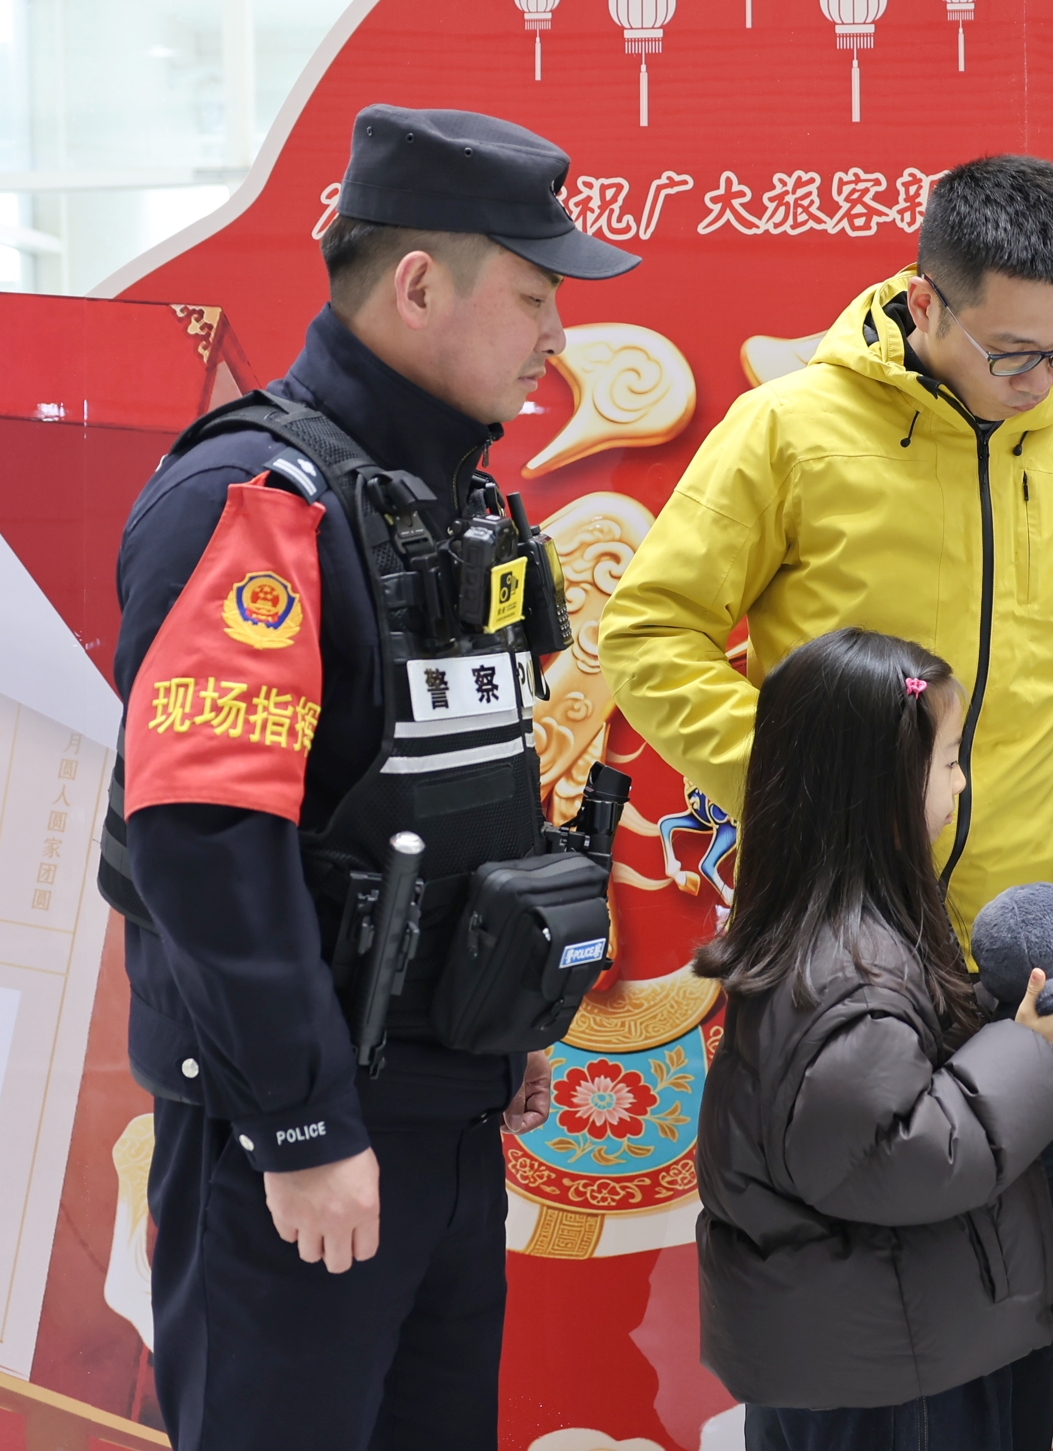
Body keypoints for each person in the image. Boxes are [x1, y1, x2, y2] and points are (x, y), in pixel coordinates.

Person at [601, 153, 1053, 1445]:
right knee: (845, 1357)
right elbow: (649, 631)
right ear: (925, 302)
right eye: (1015, 351)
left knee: (995, 1344)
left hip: (1018, 969)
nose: (1047, 378)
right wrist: (824, 793)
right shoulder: (791, 429)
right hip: (842, 968)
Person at [103, 105, 638, 1450]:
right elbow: (205, 839)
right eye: (533, 295)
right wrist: (301, 1125)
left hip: (440, 1113)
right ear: (418, 285)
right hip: (299, 1139)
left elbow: (453, 793)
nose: (557, 335)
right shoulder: (258, 500)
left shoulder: (450, 500)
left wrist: (498, 1022)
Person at [693, 627, 1053, 1451]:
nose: (961, 780)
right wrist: (1033, 1052)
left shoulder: (834, 938)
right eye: (949, 760)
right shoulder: (852, 973)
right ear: (885, 791)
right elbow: (898, 1154)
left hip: (877, 1347)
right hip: (891, 1379)